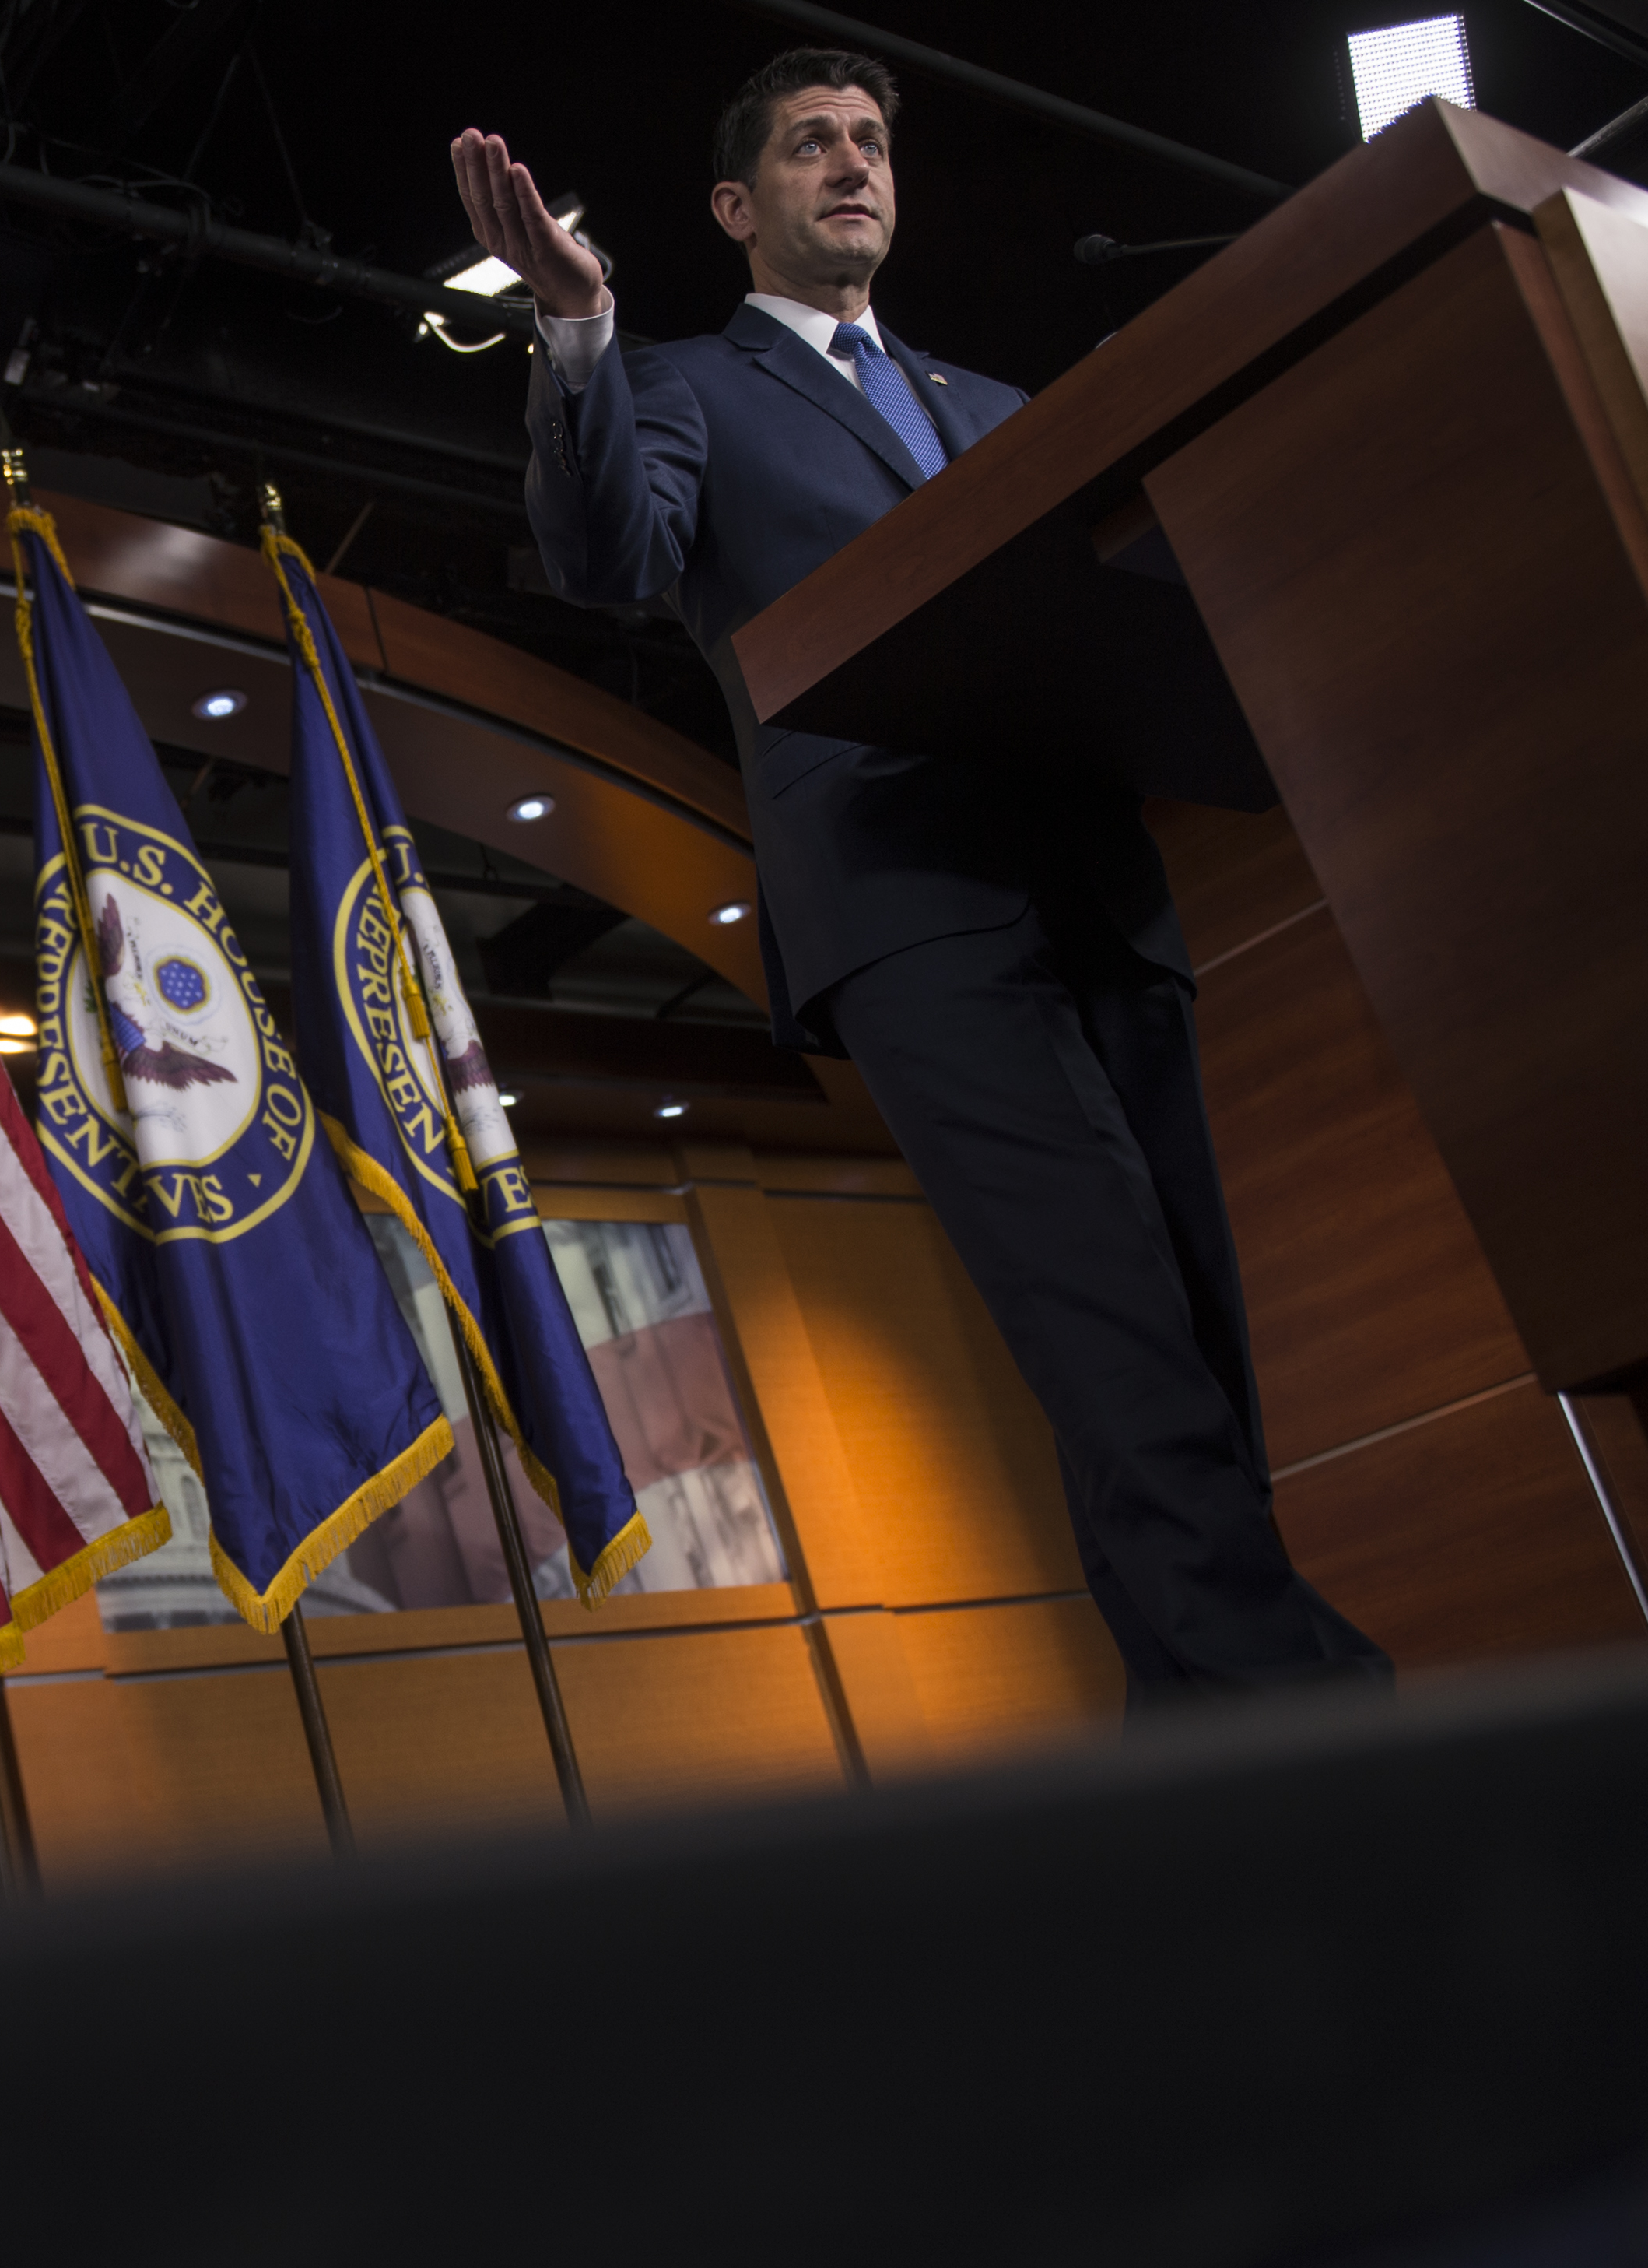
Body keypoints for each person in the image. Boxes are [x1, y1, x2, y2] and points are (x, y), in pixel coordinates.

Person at [450, 51, 1390, 1703]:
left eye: (870, 141)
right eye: (810, 145)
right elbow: (608, 553)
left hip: (1101, 889)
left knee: (1188, 1343)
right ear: (737, 207)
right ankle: (1312, 1719)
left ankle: (1222, 1751)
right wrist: (578, 325)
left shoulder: (1001, 411)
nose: (850, 165)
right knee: (1109, 1332)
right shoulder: (678, 383)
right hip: (914, 910)